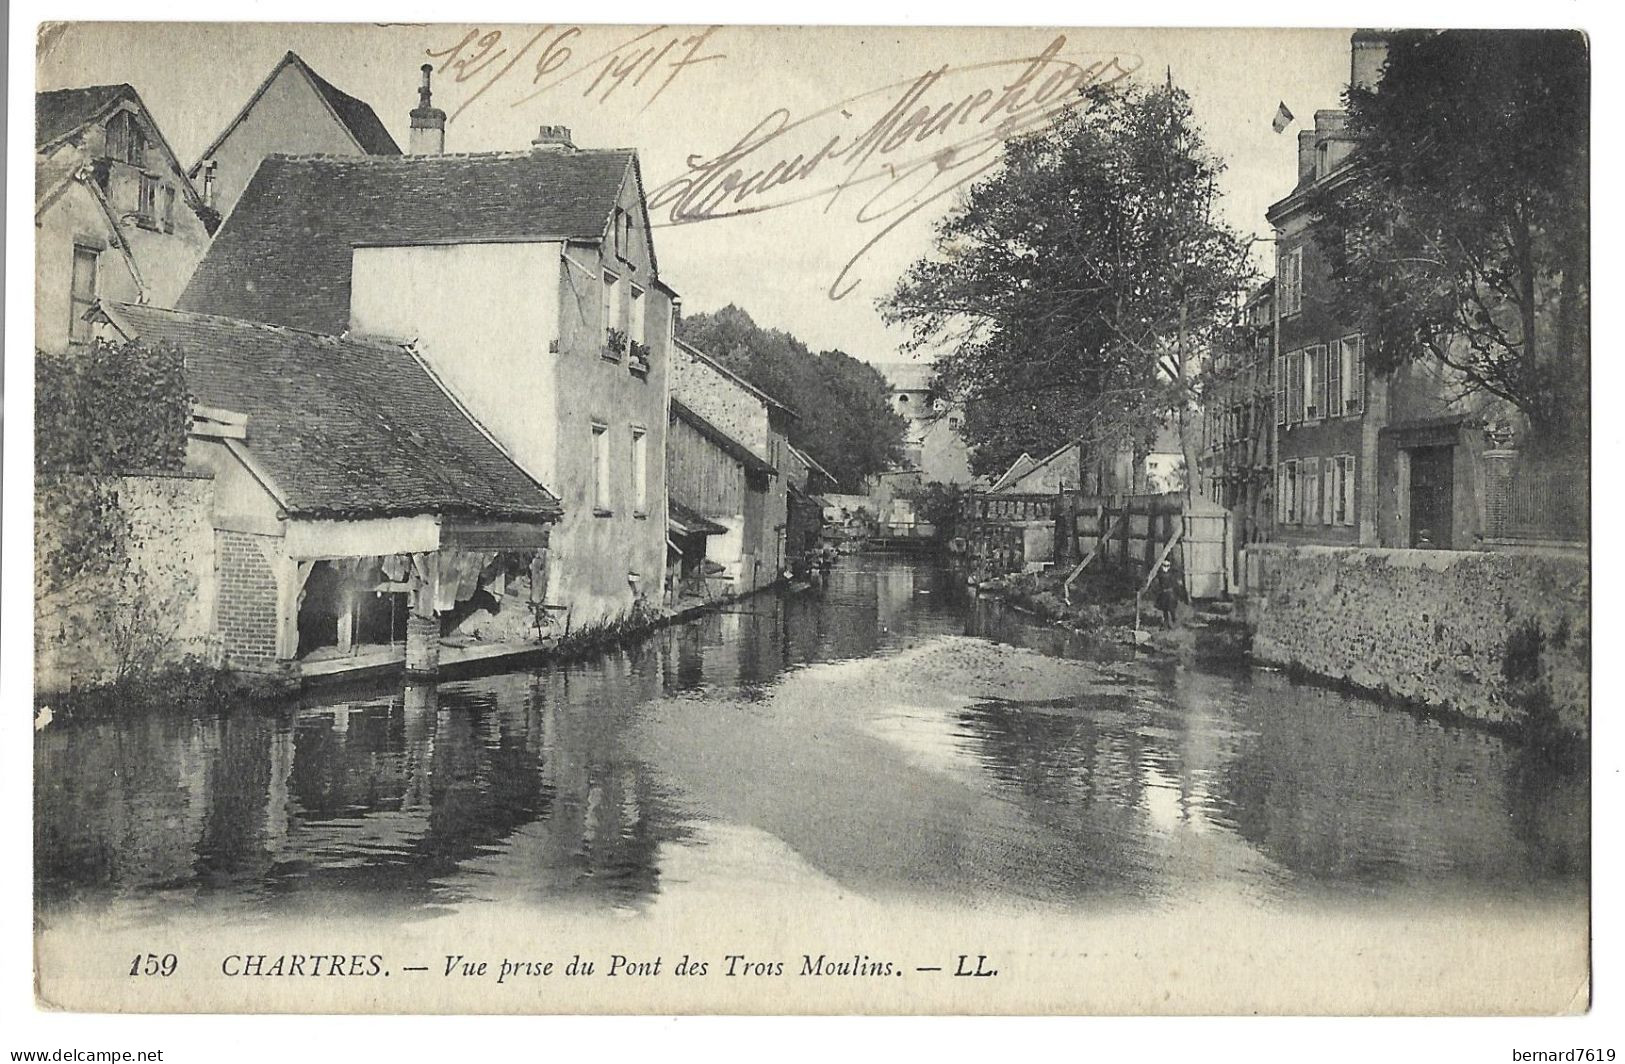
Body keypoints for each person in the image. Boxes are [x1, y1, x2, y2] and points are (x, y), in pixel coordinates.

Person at [1152, 559, 1184, 629]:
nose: (1165, 567)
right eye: (1164, 565)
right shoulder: (1159, 575)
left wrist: (1177, 594)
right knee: (1164, 609)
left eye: (1167, 566)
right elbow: (1156, 584)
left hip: (1171, 594)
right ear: (1162, 566)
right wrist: (1157, 592)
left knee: (1171, 608)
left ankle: (1173, 620)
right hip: (1163, 594)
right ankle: (1166, 623)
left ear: (1169, 566)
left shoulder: (1172, 574)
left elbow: (1176, 585)